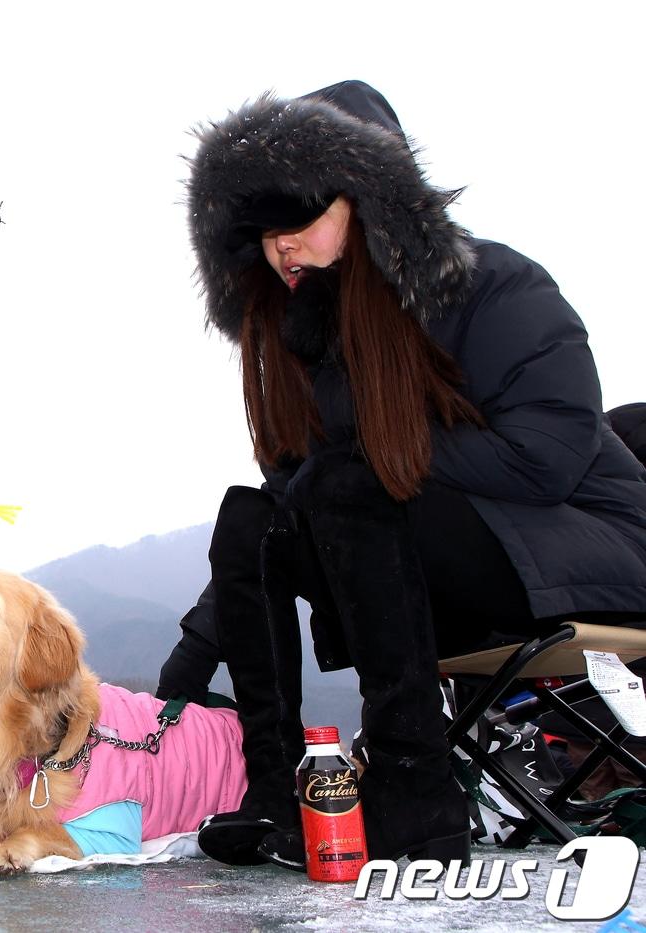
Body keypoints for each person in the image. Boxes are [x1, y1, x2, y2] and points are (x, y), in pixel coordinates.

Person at [184, 81, 646, 871]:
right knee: (250, 516)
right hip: (411, 576)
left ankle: (415, 794)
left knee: (346, 484)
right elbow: (291, 512)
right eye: (260, 232)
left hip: (583, 552)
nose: (279, 247)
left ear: (371, 201)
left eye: (296, 218)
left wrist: (381, 457)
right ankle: (279, 790)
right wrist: (194, 656)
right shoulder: (304, 349)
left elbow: (550, 455)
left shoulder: (495, 286)